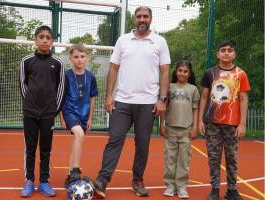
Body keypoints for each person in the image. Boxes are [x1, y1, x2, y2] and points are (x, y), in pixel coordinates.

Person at [93, 6, 171, 198]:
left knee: (142, 143)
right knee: (115, 140)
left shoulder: (160, 42)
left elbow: (165, 71)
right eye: (139, 16)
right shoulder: (123, 40)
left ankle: (137, 180)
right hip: (122, 101)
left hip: (148, 103)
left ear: (151, 19)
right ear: (134, 19)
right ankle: (102, 181)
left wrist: (162, 100)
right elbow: (113, 68)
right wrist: (109, 96)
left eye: (145, 16)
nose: (142, 19)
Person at [198, 40, 250, 200]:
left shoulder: (240, 74)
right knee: (213, 157)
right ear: (217, 54)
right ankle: (214, 188)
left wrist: (242, 123)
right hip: (212, 122)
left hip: (232, 123)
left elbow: (243, 99)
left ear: (234, 54)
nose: (226, 52)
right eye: (223, 50)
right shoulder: (210, 73)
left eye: (230, 50)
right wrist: (200, 120)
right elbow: (204, 97)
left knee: (231, 157)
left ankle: (232, 189)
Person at [19, 25, 65, 197]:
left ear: (52, 42)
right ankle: (29, 181)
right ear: (35, 40)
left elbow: (61, 88)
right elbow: (22, 85)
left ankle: (44, 181)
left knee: (46, 149)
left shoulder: (58, 63)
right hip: (30, 113)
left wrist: (54, 109)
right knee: (30, 148)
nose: (45, 39)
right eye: (41, 37)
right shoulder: (26, 61)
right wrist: (29, 105)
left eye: (48, 37)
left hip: (48, 114)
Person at [59, 44, 98, 188]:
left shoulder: (90, 76)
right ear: (71, 58)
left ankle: (70, 176)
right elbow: (61, 97)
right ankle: (76, 171)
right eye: (76, 57)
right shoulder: (66, 75)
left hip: (84, 114)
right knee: (79, 134)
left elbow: (92, 97)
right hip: (69, 112)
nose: (79, 60)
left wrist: (90, 117)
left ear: (87, 58)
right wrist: (61, 117)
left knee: (77, 140)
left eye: (82, 57)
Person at [159, 60, 200, 199]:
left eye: (185, 71)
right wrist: (162, 123)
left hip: (186, 130)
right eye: (180, 70)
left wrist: (195, 126)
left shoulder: (193, 89)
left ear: (189, 73)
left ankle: (181, 187)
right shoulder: (169, 87)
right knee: (170, 158)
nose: (182, 73)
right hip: (170, 127)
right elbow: (163, 107)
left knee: (184, 160)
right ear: (176, 72)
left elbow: (195, 109)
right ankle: (170, 186)